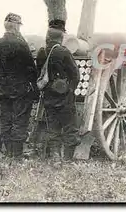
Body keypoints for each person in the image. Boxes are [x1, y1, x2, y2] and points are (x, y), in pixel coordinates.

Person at [0, 13, 39, 158]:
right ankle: (17, 154)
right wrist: (34, 86)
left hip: (3, 89)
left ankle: (8, 152)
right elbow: (31, 68)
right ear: (17, 26)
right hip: (21, 90)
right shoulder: (21, 44)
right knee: (19, 120)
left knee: (5, 120)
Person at [36, 28, 81, 161]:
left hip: (48, 96)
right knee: (69, 128)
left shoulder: (41, 52)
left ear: (47, 37)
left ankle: (55, 157)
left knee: (53, 128)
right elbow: (75, 74)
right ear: (61, 39)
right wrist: (71, 90)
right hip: (64, 97)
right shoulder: (64, 51)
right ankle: (67, 159)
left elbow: (39, 73)